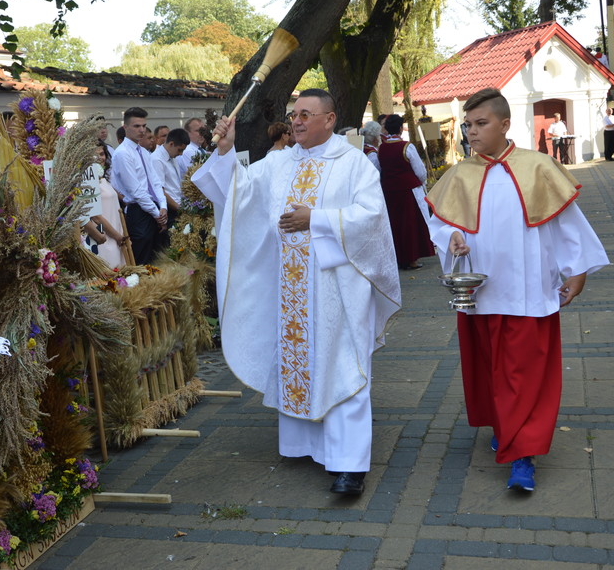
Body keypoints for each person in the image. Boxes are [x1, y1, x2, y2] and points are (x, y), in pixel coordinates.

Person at [192, 89, 402, 497]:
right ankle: (307, 445)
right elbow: (240, 195)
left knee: (344, 367)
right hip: (291, 291)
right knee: (302, 361)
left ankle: (349, 465)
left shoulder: (353, 163)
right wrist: (225, 151)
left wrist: (317, 219)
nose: (297, 121)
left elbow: (372, 218)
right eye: (294, 115)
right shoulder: (279, 161)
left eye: (307, 114)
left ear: (329, 118)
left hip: (338, 288)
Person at [426, 88, 608, 492]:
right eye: (468, 125)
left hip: (528, 292)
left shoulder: (538, 167)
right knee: (490, 368)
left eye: (481, 123)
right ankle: (505, 428)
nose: (471, 132)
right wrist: (452, 236)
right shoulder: (459, 175)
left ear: (505, 124)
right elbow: (440, 225)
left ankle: (523, 454)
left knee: (523, 374)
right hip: (479, 293)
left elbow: (567, 223)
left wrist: (577, 270)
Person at [111, 107, 168, 264]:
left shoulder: (143, 152)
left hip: (153, 207)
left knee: (156, 258)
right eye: (137, 126)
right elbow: (136, 191)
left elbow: (155, 182)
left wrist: (163, 206)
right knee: (142, 258)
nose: (142, 130)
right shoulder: (123, 153)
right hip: (138, 211)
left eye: (143, 125)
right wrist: (157, 214)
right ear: (125, 128)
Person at [379, 114, 434, 270]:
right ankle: (411, 259)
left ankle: (398, 257)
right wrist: (421, 183)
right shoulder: (406, 146)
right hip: (408, 191)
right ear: (400, 128)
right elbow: (420, 170)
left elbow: (380, 169)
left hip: (389, 191)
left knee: (395, 224)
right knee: (409, 225)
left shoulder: (381, 148)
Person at [82, 143, 129, 269]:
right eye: (95, 155)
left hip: (117, 235)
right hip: (105, 237)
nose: (99, 158)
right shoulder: (88, 183)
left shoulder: (103, 179)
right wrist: (117, 236)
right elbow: (96, 216)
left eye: (102, 154)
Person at [153, 127, 188, 216]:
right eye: (180, 150)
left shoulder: (172, 156)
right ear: (171, 144)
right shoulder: (157, 159)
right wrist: (179, 208)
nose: (181, 154)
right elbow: (160, 190)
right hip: (169, 209)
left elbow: (175, 185)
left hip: (178, 205)